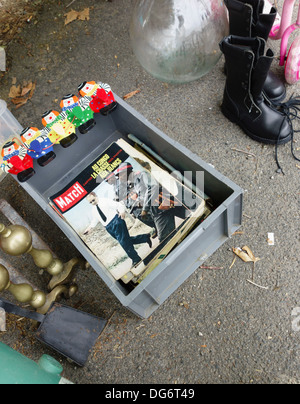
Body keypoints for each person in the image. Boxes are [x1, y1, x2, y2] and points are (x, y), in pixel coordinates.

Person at [83, 192, 152, 267]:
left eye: (93, 200)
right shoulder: (94, 210)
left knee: (123, 242)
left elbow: (118, 205)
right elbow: (95, 219)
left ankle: (136, 259)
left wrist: (122, 211)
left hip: (116, 221)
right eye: (90, 202)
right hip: (108, 227)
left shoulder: (105, 201)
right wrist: (89, 228)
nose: (93, 202)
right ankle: (145, 237)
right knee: (126, 241)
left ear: (95, 196)